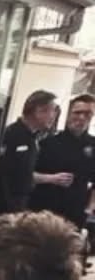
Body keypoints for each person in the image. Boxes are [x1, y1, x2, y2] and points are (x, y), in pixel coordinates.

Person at [0, 89, 64, 218]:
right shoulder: (12, 134)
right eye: (53, 111)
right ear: (39, 111)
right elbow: (6, 173)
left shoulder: (33, 138)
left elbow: (25, 173)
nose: (54, 116)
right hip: (3, 207)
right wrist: (51, 178)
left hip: (20, 205)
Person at [29, 91, 95, 230]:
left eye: (87, 113)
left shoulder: (93, 145)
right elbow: (27, 175)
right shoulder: (47, 142)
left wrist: (89, 210)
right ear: (69, 113)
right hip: (44, 211)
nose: (81, 117)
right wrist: (51, 178)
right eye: (77, 112)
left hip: (75, 215)